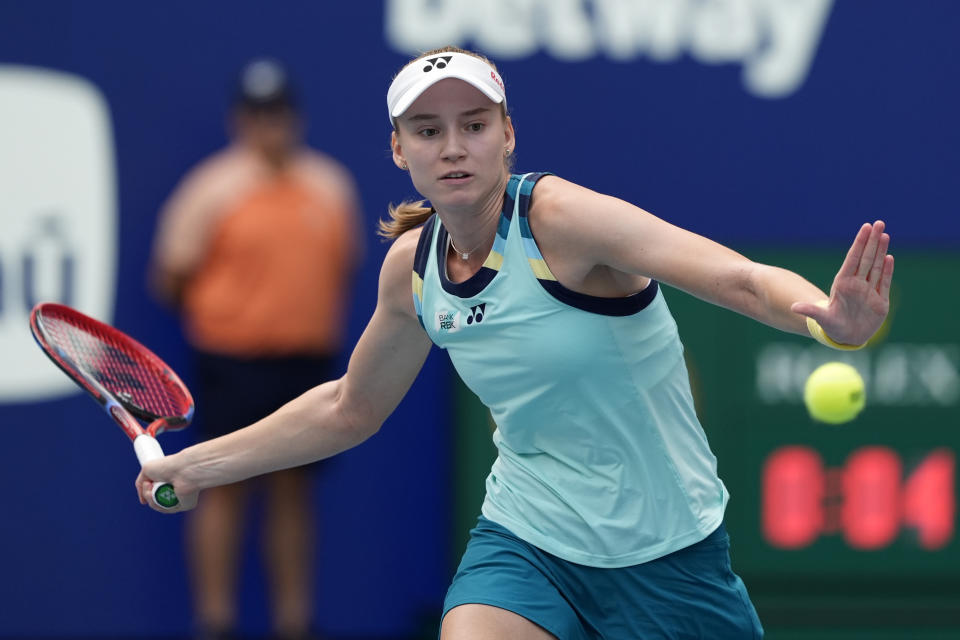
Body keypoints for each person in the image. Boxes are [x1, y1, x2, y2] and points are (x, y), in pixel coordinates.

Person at [139, 46, 894, 640]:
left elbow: (732, 277)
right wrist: (199, 466)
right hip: (526, 539)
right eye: (428, 132)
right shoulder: (413, 269)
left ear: (508, 135)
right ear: (400, 150)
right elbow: (349, 407)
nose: (453, 147)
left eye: (473, 125)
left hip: (668, 551)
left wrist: (822, 316)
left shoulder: (563, 221)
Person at [148, 58, 363, 640]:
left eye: (279, 112)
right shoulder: (211, 190)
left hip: (303, 365)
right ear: (239, 120)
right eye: (257, 113)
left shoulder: (330, 185)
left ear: (295, 116)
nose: (270, 124)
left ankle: (296, 623)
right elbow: (169, 276)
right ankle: (214, 622)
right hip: (230, 363)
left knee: (294, 491)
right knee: (218, 484)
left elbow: (341, 268)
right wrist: (233, 315)